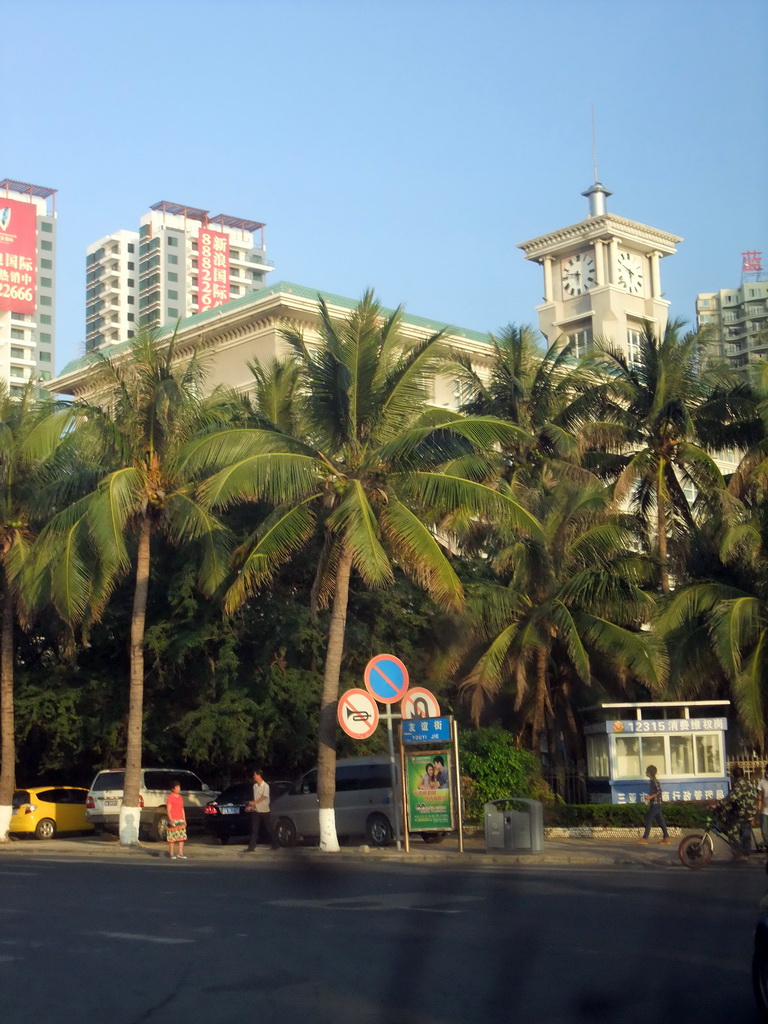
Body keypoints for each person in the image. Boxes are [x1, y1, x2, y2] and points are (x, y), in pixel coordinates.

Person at [715, 765, 758, 862]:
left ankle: (739, 854)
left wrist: (718, 805)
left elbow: (731, 798)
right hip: (751, 812)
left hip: (743, 812)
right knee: (745, 831)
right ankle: (746, 851)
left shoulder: (740, 785)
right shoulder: (749, 783)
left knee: (732, 831)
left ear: (734, 776)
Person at [244, 768, 278, 851]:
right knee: (254, 829)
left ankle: (275, 843)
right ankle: (252, 846)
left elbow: (264, 797)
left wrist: (254, 802)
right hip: (256, 810)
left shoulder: (266, 786)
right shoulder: (255, 786)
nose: (254, 776)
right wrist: (252, 805)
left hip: (265, 810)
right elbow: (255, 797)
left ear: (259, 775)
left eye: (255, 775)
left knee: (269, 828)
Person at [637, 765, 669, 845]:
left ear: (649, 773)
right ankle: (666, 837)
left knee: (648, 820)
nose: (645, 773)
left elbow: (659, 792)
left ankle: (645, 838)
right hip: (655, 804)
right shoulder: (652, 781)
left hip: (656, 804)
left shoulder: (654, 781)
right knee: (660, 821)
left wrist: (650, 797)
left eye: (646, 772)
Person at [166, 781, 187, 860]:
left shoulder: (181, 797)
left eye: (179, 787)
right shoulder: (170, 797)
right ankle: (171, 853)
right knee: (172, 838)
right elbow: (168, 810)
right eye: (177, 787)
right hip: (173, 819)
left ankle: (180, 853)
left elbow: (182, 809)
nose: (179, 789)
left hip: (180, 819)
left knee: (181, 837)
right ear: (173, 789)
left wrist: (184, 820)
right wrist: (171, 820)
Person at [757, 765, 768, 855]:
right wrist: (759, 809)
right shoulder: (762, 782)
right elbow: (760, 797)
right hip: (765, 811)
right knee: (764, 831)